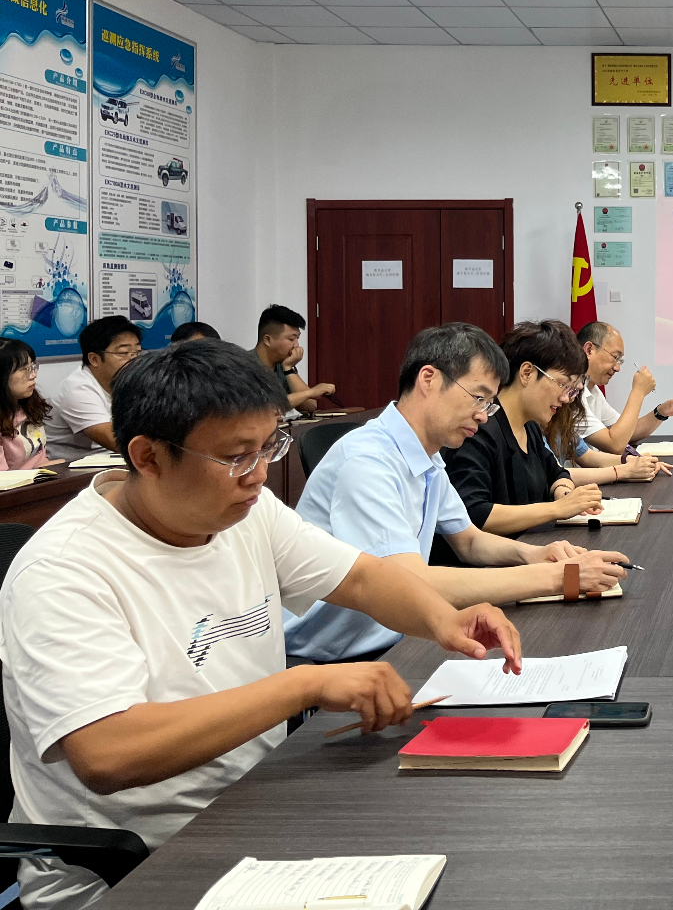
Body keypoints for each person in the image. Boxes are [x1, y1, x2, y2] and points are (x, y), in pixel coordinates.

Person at [0, 340, 523, 910]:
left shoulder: (247, 513)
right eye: (236, 457)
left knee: (475, 845)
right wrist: (304, 685)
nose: (259, 476)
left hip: (255, 804)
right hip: (135, 867)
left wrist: (445, 620)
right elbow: (108, 754)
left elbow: (361, 578)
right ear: (148, 457)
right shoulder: (64, 570)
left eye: (268, 448)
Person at [285, 323, 628, 663]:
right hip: (332, 656)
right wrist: (559, 578)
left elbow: (469, 541)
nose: (483, 415)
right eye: (478, 398)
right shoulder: (367, 461)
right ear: (429, 379)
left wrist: (536, 555)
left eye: (489, 404)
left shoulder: (429, 456)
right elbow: (408, 582)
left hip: (396, 636)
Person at [436, 320, 608, 563]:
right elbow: (474, 513)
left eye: (571, 390)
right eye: (562, 384)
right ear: (527, 373)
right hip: (487, 569)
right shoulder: (477, 430)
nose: (566, 398)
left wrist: (564, 493)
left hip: (528, 554)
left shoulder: (530, 427)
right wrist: (557, 509)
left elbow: (557, 473)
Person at [574, 321, 673, 452]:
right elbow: (615, 444)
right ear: (589, 350)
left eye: (620, 361)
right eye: (615, 357)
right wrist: (638, 391)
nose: (617, 368)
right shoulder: (571, 395)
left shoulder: (593, 390)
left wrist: (661, 412)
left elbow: (627, 433)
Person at [44, 315, 142, 462]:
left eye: (137, 352)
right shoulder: (77, 389)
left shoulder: (132, 381)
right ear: (94, 359)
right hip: (72, 468)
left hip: (113, 460)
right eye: (123, 353)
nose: (134, 360)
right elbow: (116, 441)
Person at [253, 305, 334, 413]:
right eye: (291, 339)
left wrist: (289, 368)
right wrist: (310, 392)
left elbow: (310, 406)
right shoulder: (242, 367)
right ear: (268, 340)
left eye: (297, 338)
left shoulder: (281, 365)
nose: (296, 345)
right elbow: (264, 409)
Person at [0, 340, 53, 471]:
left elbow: (40, 459)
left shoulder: (27, 405)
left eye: (33, 367)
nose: (33, 375)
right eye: (25, 369)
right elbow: (3, 478)